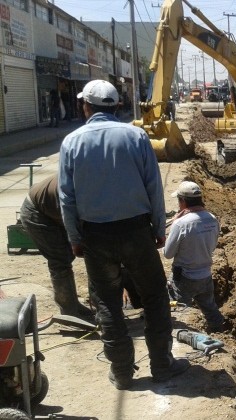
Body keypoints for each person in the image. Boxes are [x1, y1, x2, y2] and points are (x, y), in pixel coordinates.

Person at [58, 79, 189, 390]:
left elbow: (67, 197)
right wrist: (158, 229)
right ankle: (161, 365)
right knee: (155, 297)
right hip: (136, 231)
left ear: (86, 107)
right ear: (116, 107)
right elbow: (153, 186)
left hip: (96, 236)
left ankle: (122, 372)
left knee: (107, 303)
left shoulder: (71, 143)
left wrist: (75, 237)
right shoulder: (136, 136)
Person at [19, 174, 94, 319]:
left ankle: (75, 307)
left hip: (54, 210)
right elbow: (73, 223)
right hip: (36, 212)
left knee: (84, 254)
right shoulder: (77, 189)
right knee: (60, 260)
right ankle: (70, 313)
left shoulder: (98, 183)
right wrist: (77, 243)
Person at [164, 181, 225, 333]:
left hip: (184, 277)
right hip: (205, 275)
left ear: (183, 201)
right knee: (210, 310)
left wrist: (175, 223)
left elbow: (168, 253)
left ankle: (181, 337)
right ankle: (220, 334)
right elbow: (212, 245)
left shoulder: (181, 224)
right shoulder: (212, 218)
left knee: (178, 312)